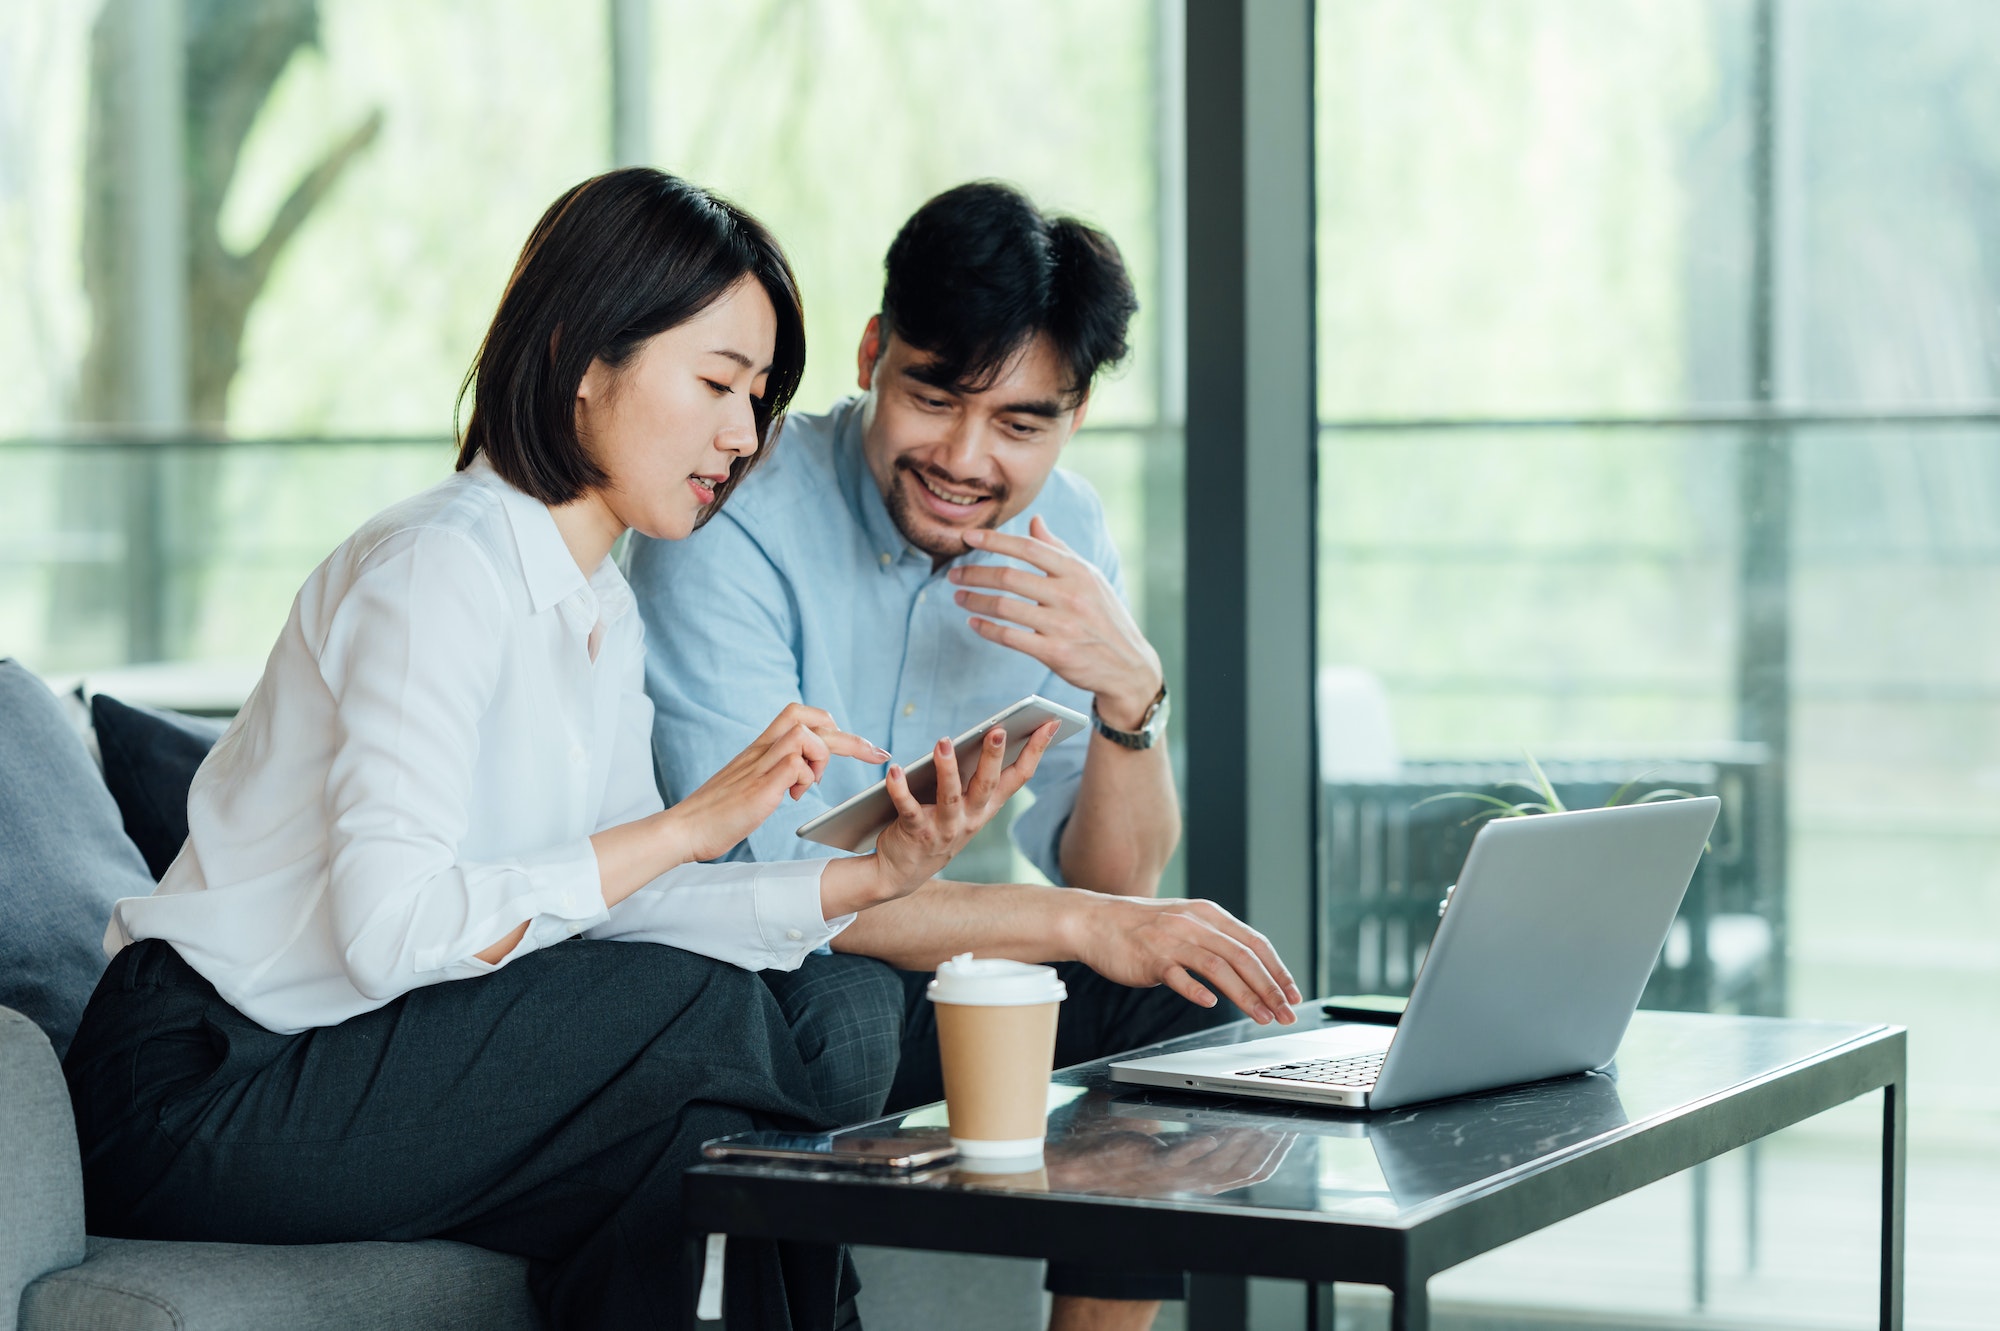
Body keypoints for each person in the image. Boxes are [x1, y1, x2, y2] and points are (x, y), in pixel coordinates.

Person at [60, 168, 1054, 1331]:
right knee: (743, 1020)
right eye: (718, 384)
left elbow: (616, 908)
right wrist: (691, 823)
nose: (743, 437)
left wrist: (865, 877)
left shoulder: (596, 603)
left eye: (761, 396)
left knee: (698, 1145)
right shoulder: (438, 568)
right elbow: (390, 930)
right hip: (208, 1081)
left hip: (371, 1053)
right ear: (586, 355)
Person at [628, 181, 1301, 1331]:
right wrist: (1086, 925)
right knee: (841, 1006)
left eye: (1021, 423)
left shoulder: (1067, 534)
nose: (964, 457)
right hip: (739, 969)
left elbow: (1116, 876)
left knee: (1184, 994)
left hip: (922, 966)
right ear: (871, 351)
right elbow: (780, 895)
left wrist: (1132, 693)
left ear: (1074, 414)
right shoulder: (730, 518)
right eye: (933, 397)